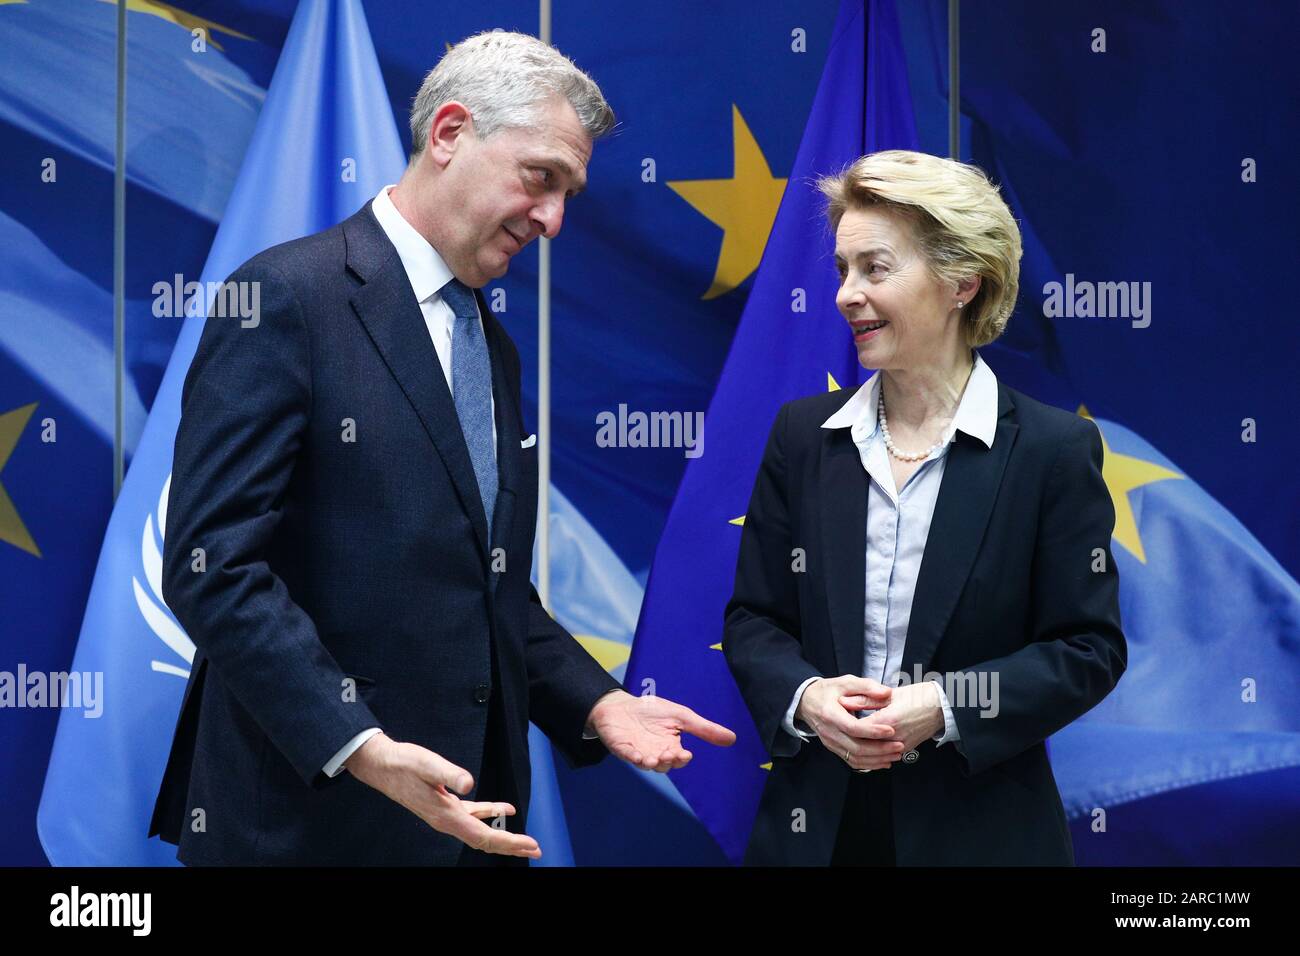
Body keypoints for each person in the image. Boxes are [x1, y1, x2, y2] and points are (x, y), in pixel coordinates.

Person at [149, 30, 734, 867]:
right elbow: (215, 566)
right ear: (450, 132)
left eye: (569, 193)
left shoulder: (488, 345)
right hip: (309, 829)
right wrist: (360, 745)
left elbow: (485, 585)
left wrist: (597, 704)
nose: (555, 219)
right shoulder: (283, 296)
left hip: (472, 827)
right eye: (542, 179)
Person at [722, 149, 1126, 866]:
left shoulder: (1053, 450)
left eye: (875, 269)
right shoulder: (802, 437)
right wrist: (808, 696)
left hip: (982, 834)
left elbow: (1086, 650)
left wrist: (945, 706)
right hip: (814, 830)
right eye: (843, 269)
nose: (847, 293)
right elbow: (754, 619)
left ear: (963, 282)